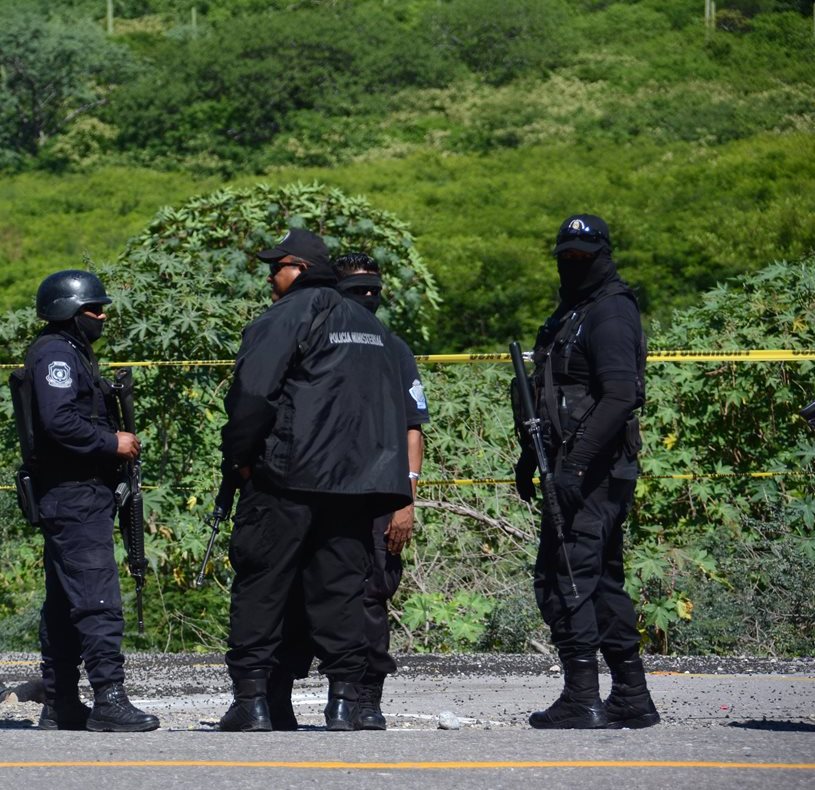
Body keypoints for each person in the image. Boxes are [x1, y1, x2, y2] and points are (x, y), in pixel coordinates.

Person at [219, 230, 412, 732]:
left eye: (275, 265)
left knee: (262, 583)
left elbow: (252, 394)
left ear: (299, 268)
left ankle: (253, 701)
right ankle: (345, 702)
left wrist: (239, 457)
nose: (268, 275)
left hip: (287, 478)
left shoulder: (286, 315)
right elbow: (393, 414)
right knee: (341, 590)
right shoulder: (372, 329)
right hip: (355, 486)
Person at [269, 252, 429, 731]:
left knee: (370, 592)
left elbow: (412, 429)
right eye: (355, 289)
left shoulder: (391, 347)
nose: (367, 299)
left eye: (372, 289)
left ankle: (362, 698)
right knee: (298, 588)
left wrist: (405, 497)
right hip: (319, 488)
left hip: (378, 491)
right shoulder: (314, 338)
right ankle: (282, 697)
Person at [514, 215, 659, 730]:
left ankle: (582, 697)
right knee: (599, 582)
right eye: (565, 255)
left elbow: (620, 394)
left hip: (594, 473)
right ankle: (631, 696)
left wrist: (573, 468)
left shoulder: (610, 313)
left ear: (603, 254)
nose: (573, 263)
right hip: (573, 468)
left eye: (583, 255)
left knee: (566, 577)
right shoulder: (574, 311)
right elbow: (550, 391)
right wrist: (532, 458)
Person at [20, 270, 159, 732]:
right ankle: (109, 699)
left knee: (64, 601)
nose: (101, 316)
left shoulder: (71, 351)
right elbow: (59, 422)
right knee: (98, 597)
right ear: (68, 311)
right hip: (73, 494)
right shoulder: (56, 353)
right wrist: (111, 443)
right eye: (92, 309)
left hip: (77, 494)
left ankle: (60, 702)